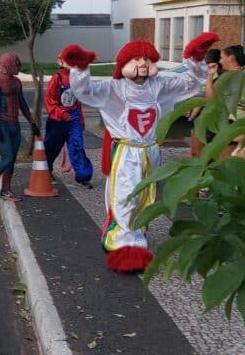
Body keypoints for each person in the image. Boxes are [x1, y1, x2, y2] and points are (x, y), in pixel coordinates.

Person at [65, 33, 215, 273]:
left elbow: (189, 83)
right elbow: (85, 91)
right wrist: (81, 67)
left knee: (146, 196)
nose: (143, 64)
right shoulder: (114, 88)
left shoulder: (160, 85)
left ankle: (137, 234)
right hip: (126, 151)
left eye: (148, 59)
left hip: (151, 151)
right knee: (125, 195)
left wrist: (195, 58)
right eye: (136, 59)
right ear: (124, 63)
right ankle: (124, 245)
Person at [0, 53, 41, 202]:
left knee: (11, 160)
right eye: (16, 64)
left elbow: (22, 104)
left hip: (14, 125)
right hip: (3, 124)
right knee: (8, 157)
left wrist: (32, 123)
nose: (18, 67)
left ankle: (6, 190)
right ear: (9, 65)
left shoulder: (17, 82)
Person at [44, 46, 95, 188]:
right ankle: (46, 170)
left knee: (77, 146)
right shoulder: (57, 79)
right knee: (51, 147)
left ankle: (83, 176)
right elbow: (49, 101)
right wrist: (61, 114)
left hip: (73, 119)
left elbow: (78, 101)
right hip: (57, 120)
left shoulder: (77, 79)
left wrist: (81, 119)